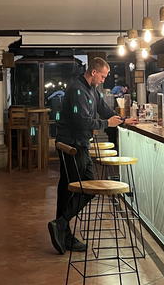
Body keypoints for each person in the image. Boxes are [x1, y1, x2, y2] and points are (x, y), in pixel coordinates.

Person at [47, 57, 137, 254]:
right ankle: (61, 225)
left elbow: (103, 109)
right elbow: (81, 122)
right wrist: (107, 124)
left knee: (70, 189)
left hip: (79, 145)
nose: (104, 80)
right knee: (81, 189)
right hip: (72, 146)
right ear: (94, 72)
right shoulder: (77, 89)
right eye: (103, 76)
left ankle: (63, 230)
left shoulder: (92, 89)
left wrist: (122, 120)